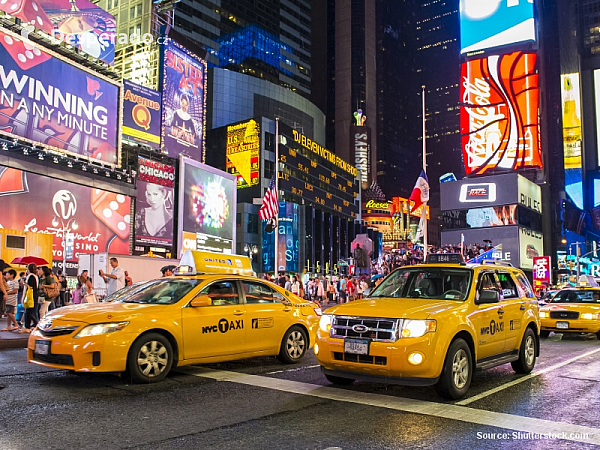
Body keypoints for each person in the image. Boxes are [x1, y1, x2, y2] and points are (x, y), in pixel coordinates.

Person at [21, 263, 39, 333]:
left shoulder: (31, 276)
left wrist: (24, 283)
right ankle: (29, 326)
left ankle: (33, 325)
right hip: (34, 295)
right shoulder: (35, 276)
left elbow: (31, 287)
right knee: (30, 311)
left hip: (30, 296)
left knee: (29, 312)